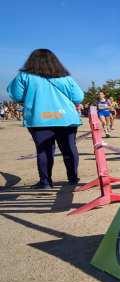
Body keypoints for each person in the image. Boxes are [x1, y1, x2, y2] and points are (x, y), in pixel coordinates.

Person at [6, 49, 84, 189]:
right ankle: (72, 178)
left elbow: (16, 95)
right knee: (69, 148)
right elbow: (78, 98)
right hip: (66, 118)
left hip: (39, 118)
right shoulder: (65, 78)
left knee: (44, 150)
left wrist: (32, 97)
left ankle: (46, 182)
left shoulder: (24, 76)